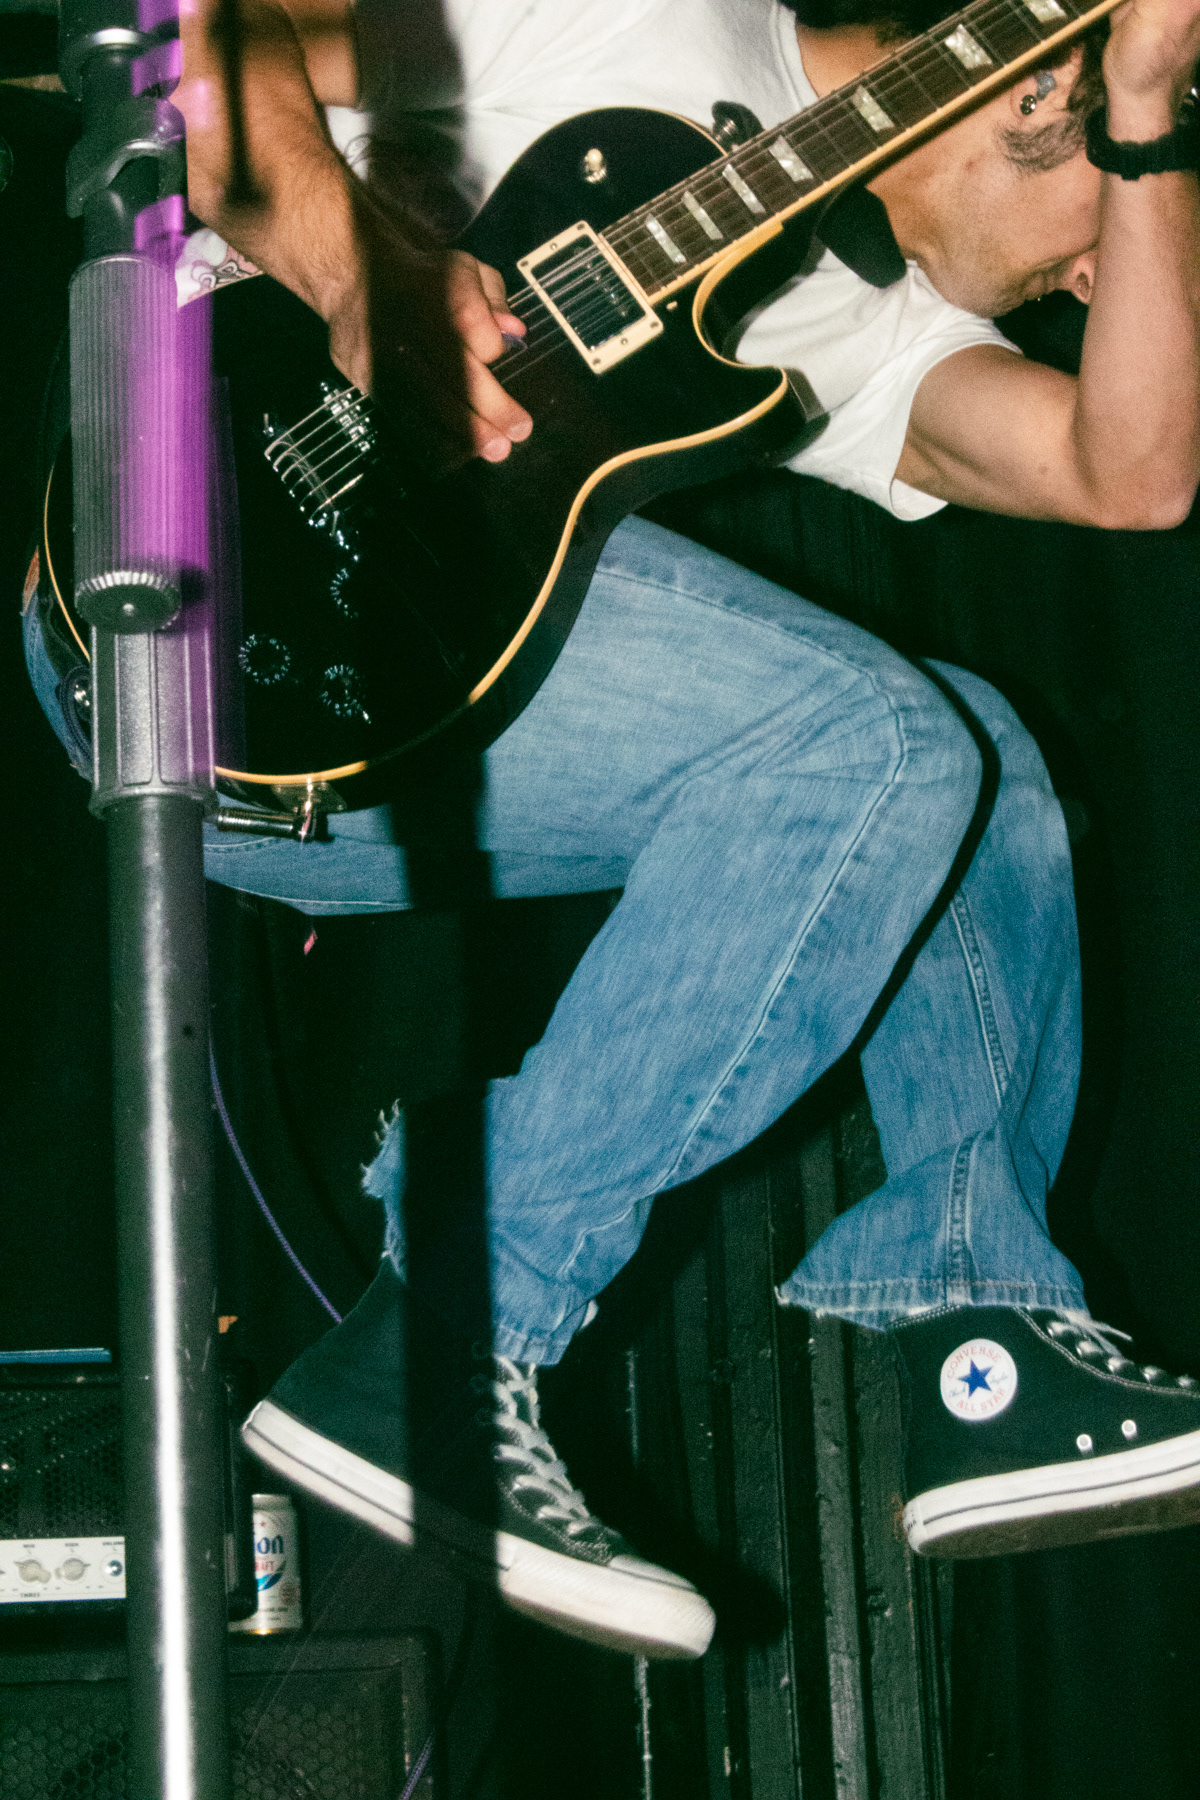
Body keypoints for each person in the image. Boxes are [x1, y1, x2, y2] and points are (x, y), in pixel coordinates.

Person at [26, 0, 1200, 1660]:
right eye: (1105, 231)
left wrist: (1143, 128)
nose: (1097, 285)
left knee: (976, 770)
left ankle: (979, 1330)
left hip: (384, 744)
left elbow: (1131, 474)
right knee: (874, 743)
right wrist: (369, 283)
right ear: (1028, 90)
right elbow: (197, 39)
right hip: (195, 560)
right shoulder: (640, 14)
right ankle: (444, 1347)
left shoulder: (859, 330)